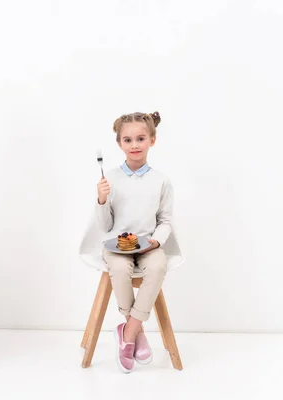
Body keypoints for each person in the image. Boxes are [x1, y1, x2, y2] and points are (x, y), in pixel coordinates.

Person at [95, 111, 173, 373]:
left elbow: (165, 220)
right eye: (128, 140)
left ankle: (127, 333)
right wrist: (102, 200)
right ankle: (135, 330)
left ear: (152, 140)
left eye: (141, 138)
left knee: (158, 266)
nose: (135, 145)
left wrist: (157, 241)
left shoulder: (161, 180)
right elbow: (104, 226)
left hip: (148, 244)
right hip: (116, 246)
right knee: (118, 269)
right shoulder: (111, 179)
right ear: (119, 144)